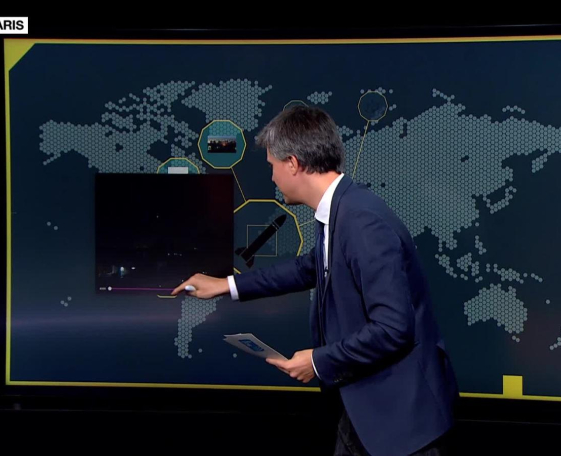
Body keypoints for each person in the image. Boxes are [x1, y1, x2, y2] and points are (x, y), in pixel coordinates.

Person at [173, 106, 459, 455]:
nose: (272, 177)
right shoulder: (339, 210)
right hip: (368, 408)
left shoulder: (361, 222)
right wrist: (226, 285)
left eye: (272, 166)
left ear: (293, 163)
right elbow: (308, 268)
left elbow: (393, 328)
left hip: (402, 422)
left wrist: (317, 362)